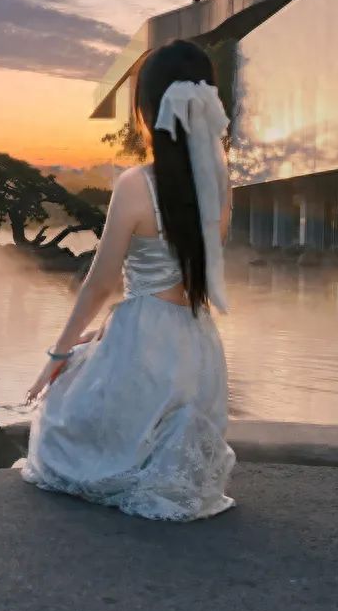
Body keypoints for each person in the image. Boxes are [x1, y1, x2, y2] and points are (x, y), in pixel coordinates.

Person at [21, 39, 236, 522]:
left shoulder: (136, 184)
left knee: (59, 414)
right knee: (104, 367)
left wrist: (55, 357)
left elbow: (99, 284)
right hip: (199, 344)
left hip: (145, 343)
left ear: (147, 110)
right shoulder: (221, 185)